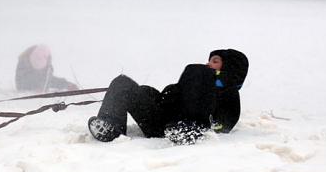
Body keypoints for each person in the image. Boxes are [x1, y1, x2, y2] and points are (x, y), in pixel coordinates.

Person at [88, 49, 249, 145]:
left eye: (215, 61)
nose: (208, 64)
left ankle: (190, 126)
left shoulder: (228, 93)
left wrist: (202, 125)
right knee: (123, 82)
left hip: (187, 129)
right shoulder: (197, 83)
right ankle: (112, 128)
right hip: (165, 124)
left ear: (229, 68)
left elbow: (224, 123)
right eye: (209, 60)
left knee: (195, 69)